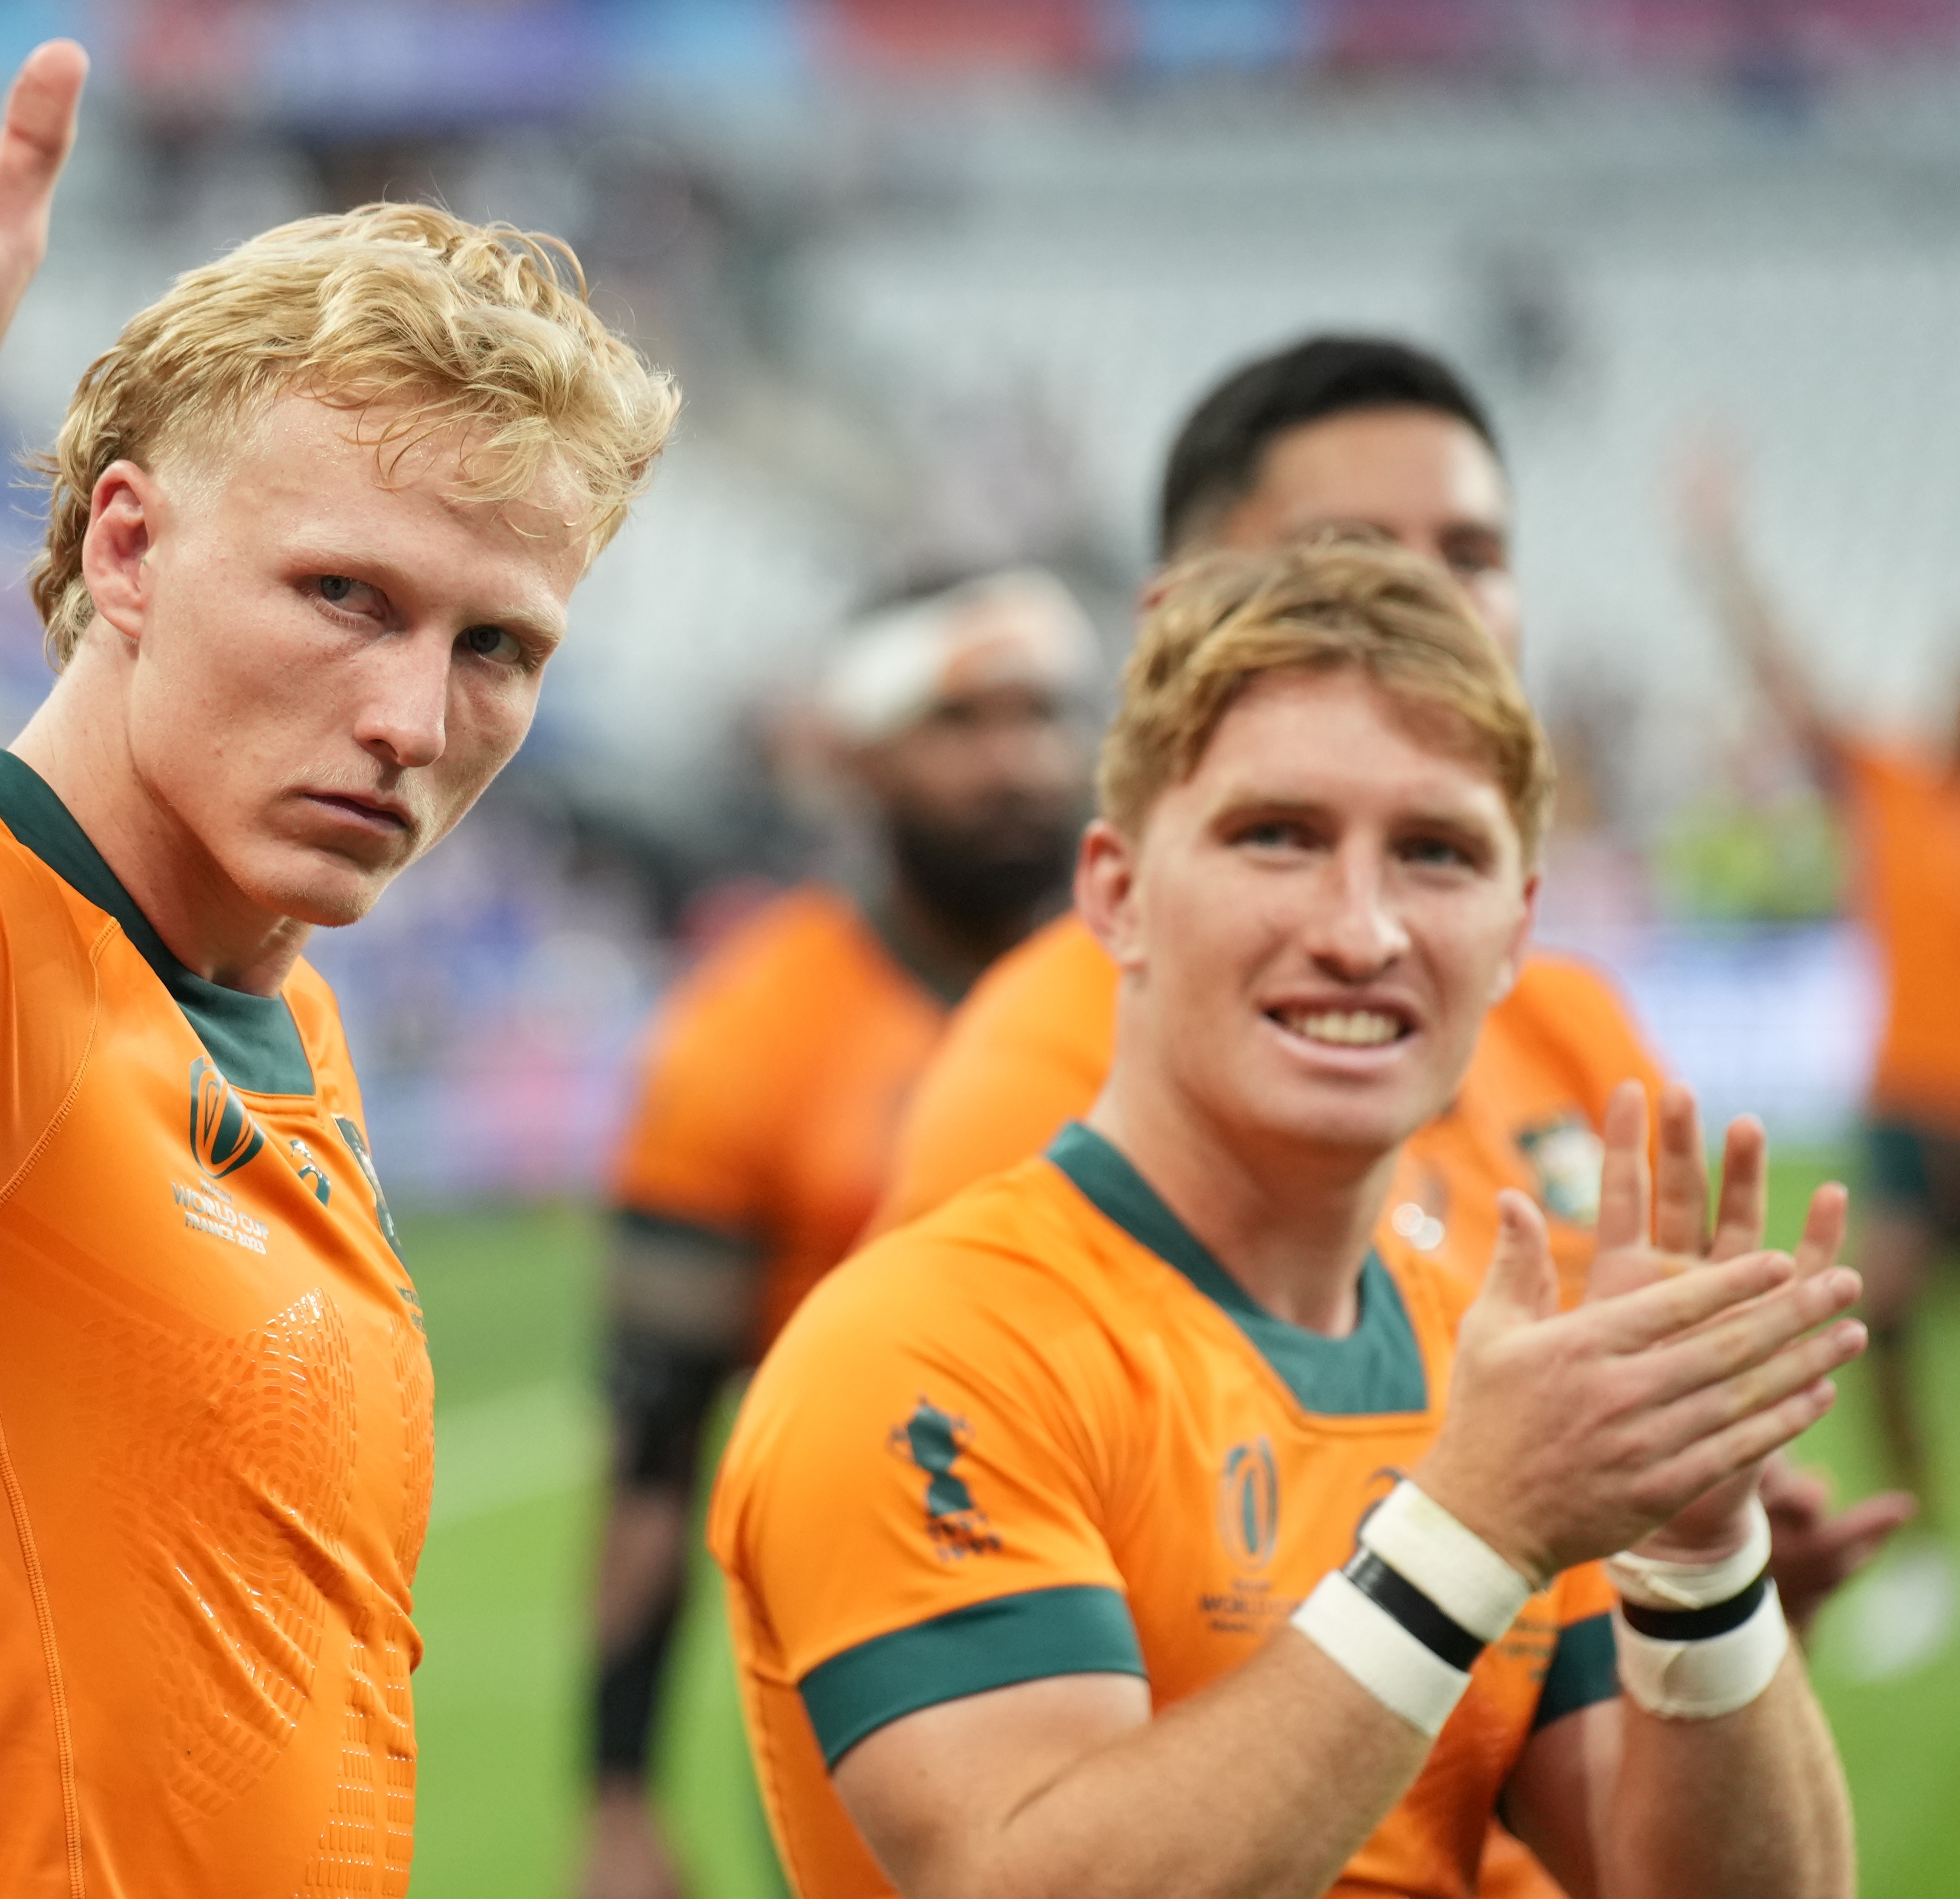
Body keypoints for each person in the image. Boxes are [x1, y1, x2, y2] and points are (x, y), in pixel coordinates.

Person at [0, 0, 680, 1883]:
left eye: (497, 646)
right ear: (128, 544)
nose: (416, 719)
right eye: (345, 595)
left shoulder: (275, 1011)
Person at [714, 538, 1867, 1899]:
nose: (1361, 927)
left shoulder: (1490, 1371)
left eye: (1435, 852)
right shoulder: (926, 1345)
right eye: (1278, 835)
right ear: (1115, 892)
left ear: (1514, 931)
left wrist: (1699, 1561)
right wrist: (1470, 1530)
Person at [868, 336, 1905, 1632]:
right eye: (1350, 548)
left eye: (1471, 555)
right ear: (1173, 623)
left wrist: (1707, 1587)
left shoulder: (1578, 1029)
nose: (1427, 599)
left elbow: (1620, 1606)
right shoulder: (1021, 1085)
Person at [581, 566, 1099, 1899]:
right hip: (892, 1660)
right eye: (962, 720)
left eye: (1041, 714)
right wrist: (616, 1798)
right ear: (857, 752)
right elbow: (652, 1456)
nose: (1019, 760)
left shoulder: (1176, 996)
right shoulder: (743, 1035)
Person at [1692, 476, 1953, 1671]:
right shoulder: (1889, 780)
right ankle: (1926, 1545)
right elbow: (1784, 681)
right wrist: (1718, 546)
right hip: (1907, 1107)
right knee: (1884, 1313)